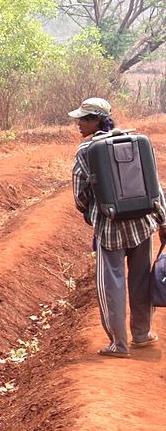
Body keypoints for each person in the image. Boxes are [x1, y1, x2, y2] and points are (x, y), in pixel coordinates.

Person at [70, 96, 161, 357]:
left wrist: (91, 212)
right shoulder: (138, 142)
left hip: (110, 228)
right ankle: (142, 334)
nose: (78, 124)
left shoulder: (87, 151)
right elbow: (154, 185)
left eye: (83, 119)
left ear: (95, 119)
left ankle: (118, 344)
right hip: (143, 223)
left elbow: (80, 192)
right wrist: (162, 218)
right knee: (141, 279)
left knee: (112, 284)